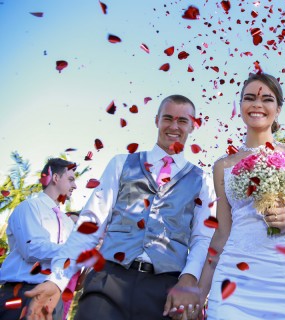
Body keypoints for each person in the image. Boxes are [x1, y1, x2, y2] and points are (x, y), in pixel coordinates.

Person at [25, 95, 216, 320]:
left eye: (182, 121)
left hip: (165, 288)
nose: (174, 126)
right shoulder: (120, 163)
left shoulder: (203, 180)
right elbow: (90, 224)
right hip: (108, 280)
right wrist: (58, 279)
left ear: (193, 125)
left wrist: (189, 277)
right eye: (167, 118)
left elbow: (202, 238)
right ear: (156, 120)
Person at [192, 73, 285, 319]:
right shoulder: (223, 166)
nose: (257, 104)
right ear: (241, 106)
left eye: (267, 99)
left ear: (278, 109)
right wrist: (199, 293)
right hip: (233, 275)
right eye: (249, 98)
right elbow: (222, 233)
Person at [0, 158, 77, 320]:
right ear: (55, 178)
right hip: (21, 293)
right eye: (70, 179)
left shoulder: (69, 223)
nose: (75, 186)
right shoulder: (29, 207)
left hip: (53, 298)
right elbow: (32, 248)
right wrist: (74, 250)